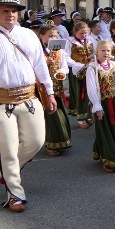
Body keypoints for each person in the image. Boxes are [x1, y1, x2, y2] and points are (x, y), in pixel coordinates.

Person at [0, 0, 57, 212]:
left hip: (29, 98)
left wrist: (50, 92)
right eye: (5, 10)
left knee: (36, 141)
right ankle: (15, 193)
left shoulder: (28, 35)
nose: (11, 14)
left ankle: (8, 171)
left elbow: (40, 66)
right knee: (7, 149)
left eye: (14, 10)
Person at [86, 39, 115, 173]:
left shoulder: (114, 66)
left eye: (108, 50)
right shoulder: (92, 68)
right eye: (103, 50)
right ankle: (109, 159)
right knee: (104, 129)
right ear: (97, 52)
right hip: (102, 102)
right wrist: (97, 107)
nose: (106, 53)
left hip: (113, 101)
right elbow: (92, 88)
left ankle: (109, 153)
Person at [39, 22, 71, 156]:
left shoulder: (59, 50)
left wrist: (62, 72)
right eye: (50, 36)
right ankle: (52, 143)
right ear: (41, 36)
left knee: (60, 114)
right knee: (50, 116)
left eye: (55, 36)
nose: (53, 38)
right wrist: (45, 63)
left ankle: (63, 140)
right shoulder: (38, 51)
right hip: (43, 89)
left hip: (57, 88)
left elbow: (64, 66)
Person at [65, 21, 93, 127]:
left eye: (85, 33)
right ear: (75, 32)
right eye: (81, 33)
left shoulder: (89, 40)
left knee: (89, 93)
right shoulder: (70, 41)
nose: (84, 35)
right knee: (80, 94)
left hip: (88, 69)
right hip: (76, 71)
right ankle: (80, 118)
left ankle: (88, 115)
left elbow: (93, 52)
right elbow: (66, 56)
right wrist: (76, 65)